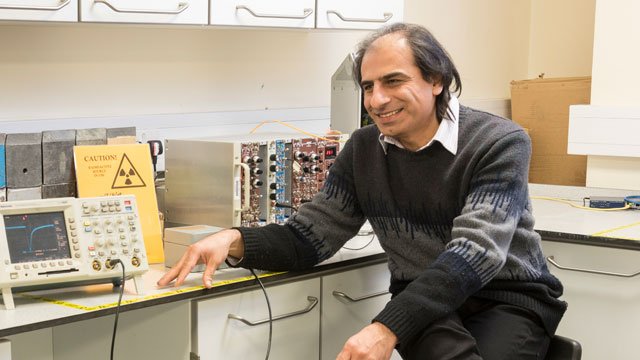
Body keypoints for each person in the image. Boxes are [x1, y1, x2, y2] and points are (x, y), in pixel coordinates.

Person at [158, 22, 567, 360]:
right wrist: (234, 240)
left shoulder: (499, 142)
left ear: (436, 80)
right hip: (420, 296)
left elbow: (473, 255)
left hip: (507, 297)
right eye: (368, 86)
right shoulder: (363, 150)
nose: (377, 99)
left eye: (393, 81)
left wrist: (387, 326)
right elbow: (309, 240)